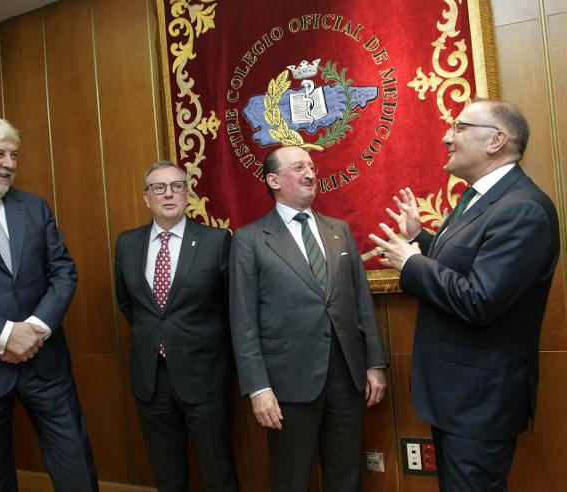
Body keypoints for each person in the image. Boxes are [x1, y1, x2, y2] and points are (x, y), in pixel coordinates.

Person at [370, 99, 560, 491]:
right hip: (458, 398)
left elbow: (480, 299)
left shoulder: (523, 209)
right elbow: (462, 268)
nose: (446, 136)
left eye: (458, 127)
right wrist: (417, 239)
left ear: (496, 141)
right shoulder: (477, 198)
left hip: (480, 402)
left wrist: (412, 264)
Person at [0, 115, 98, 491]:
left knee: (77, 470)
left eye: (13, 155)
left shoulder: (33, 207)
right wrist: (4, 334)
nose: (9, 164)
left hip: (45, 363)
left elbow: (63, 272)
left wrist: (36, 330)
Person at [230, 145, 388, 492]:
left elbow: (361, 301)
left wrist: (375, 363)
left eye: (312, 166)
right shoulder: (250, 239)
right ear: (273, 179)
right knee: (291, 479)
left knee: (345, 476)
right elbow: (243, 321)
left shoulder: (339, 230)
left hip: (346, 377)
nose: (309, 173)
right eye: (298, 167)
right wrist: (259, 388)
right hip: (287, 382)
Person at [114, 161, 240, 492]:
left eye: (176, 186)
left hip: (205, 375)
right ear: (146, 198)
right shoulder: (127, 244)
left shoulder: (216, 241)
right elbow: (129, 304)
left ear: (187, 194)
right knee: (166, 470)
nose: (168, 194)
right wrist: (158, 337)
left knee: (217, 468)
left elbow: (231, 308)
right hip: (150, 376)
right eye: (158, 187)